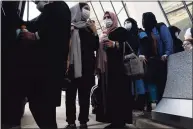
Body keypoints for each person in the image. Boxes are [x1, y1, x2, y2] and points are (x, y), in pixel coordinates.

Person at [3, 1, 71, 129]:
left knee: (42, 108)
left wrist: (35, 36)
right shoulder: (47, 13)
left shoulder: (58, 7)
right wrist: (15, 18)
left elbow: (54, 29)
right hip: (44, 73)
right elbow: (32, 24)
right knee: (42, 109)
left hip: (47, 72)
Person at [65, 3, 99, 129]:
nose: (87, 11)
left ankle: (83, 121)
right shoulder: (69, 28)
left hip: (87, 68)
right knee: (70, 97)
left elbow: (96, 46)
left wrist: (95, 32)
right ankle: (71, 122)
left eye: (88, 9)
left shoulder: (89, 28)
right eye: (84, 9)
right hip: (72, 67)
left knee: (84, 96)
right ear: (77, 11)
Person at [96, 11, 132, 129]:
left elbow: (130, 45)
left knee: (119, 94)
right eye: (105, 17)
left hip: (119, 69)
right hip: (107, 69)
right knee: (109, 94)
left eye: (109, 17)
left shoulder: (120, 31)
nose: (107, 19)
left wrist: (115, 44)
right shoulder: (103, 34)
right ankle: (113, 120)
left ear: (114, 18)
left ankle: (120, 121)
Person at [140, 12, 173, 105]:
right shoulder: (145, 32)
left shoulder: (160, 27)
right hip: (152, 62)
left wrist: (167, 53)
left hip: (163, 60)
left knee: (164, 83)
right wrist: (141, 55)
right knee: (155, 84)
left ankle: (166, 104)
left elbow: (167, 41)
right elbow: (142, 46)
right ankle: (159, 104)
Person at [124, 18, 148, 112]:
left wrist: (142, 54)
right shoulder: (126, 36)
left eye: (128, 22)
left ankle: (142, 104)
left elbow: (145, 43)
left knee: (140, 82)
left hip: (139, 60)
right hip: (129, 62)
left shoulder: (140, 32)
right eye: (125, 23)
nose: (126, 24)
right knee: (132, 83)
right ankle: (134, 104)